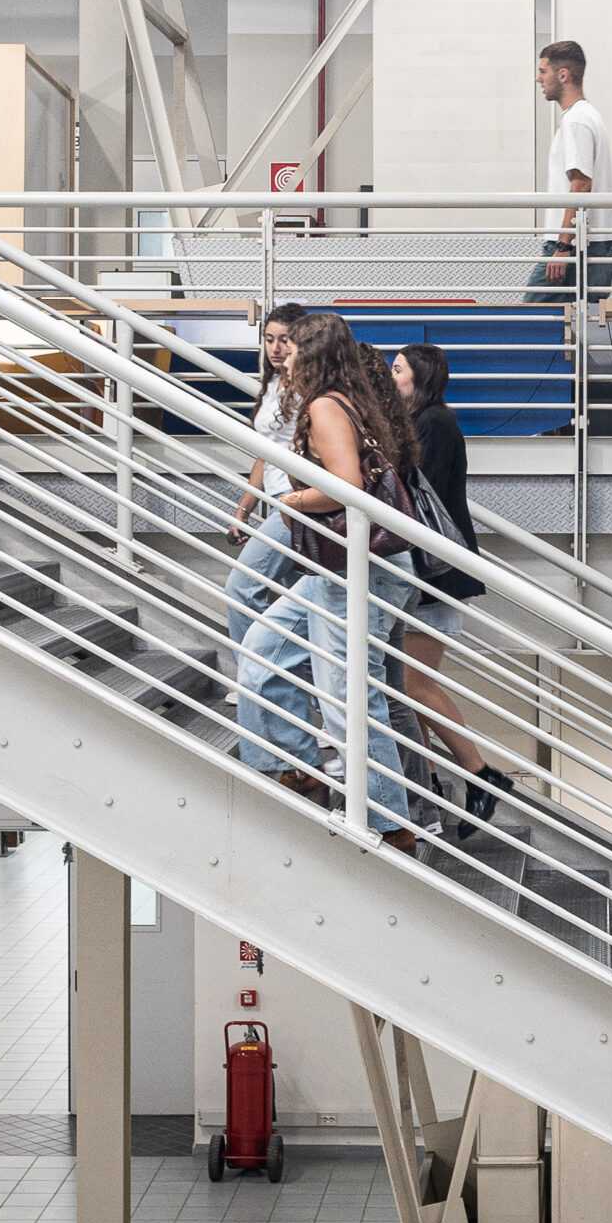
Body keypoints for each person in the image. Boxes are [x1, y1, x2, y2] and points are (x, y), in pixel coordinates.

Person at [232, 311, 421, 851]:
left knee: (346, 695)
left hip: (359, 568)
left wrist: (288, 499)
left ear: (310, 355)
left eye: (291, 349)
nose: (282, 357)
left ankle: (387, 822)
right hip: (338, 566)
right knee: (262, 651)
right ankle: (296, 768)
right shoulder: (338, 401)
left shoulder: (324, 406)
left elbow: (347, 488)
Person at [392, 342, 517, 834]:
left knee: (413, 684)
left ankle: (481, 775)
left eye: (398, 370)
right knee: (405, 688)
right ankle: (430, 783)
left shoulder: (435, 424)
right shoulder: (422, 422)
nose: (390, 378)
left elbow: (418, 499)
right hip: (424, 572)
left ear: (420, 377)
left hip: (433, 574)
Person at [225, 302, 310, 691]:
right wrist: (243, 508)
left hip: (296, 505)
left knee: (242, 588)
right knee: (299, 608)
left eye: (285, 340)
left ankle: (255, 682)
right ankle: (293, 690)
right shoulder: (274, 383)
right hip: (276, 504)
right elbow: (265, 452)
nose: (276, 348)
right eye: (269, 339)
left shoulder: (308, 387)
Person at [526, 40, 612, 302]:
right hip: (587, 244)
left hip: (578, 246)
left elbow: (581, 185)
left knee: (531, 316)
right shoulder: (584, 116)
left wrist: (562, 245)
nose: (538, 78)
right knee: (577, 322)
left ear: (563, 75)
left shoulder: (577, 120)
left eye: (543, 71)